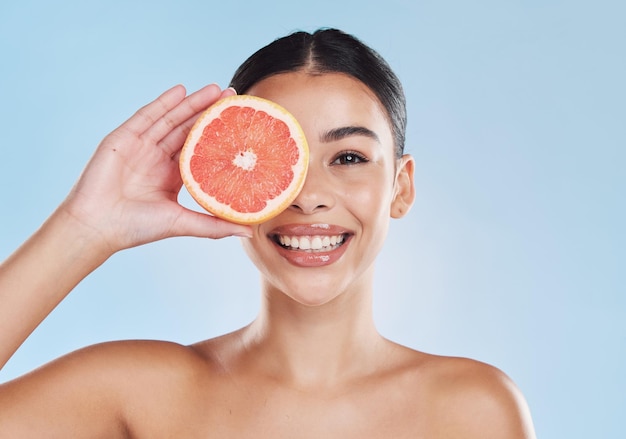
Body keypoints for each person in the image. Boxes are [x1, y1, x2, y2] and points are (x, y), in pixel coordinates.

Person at [0, 28, 536, 437]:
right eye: (276, 160)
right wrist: (84, 227)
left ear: (401, 186)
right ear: (228, 179)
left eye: (348, 156)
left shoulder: (472, 408)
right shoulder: (140, 390)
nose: (307, 194)